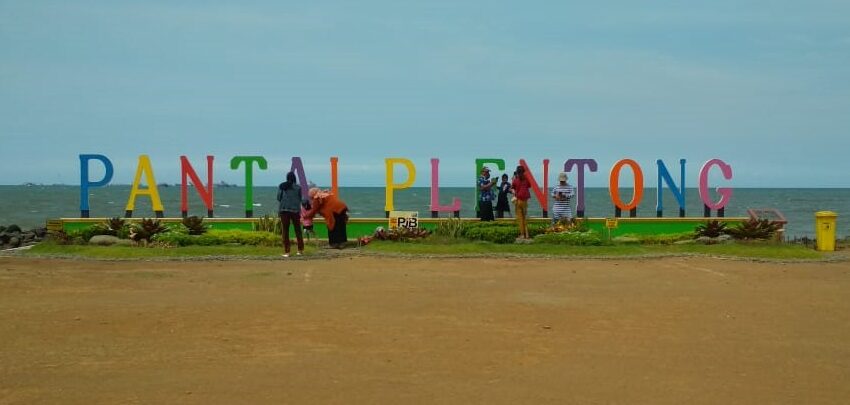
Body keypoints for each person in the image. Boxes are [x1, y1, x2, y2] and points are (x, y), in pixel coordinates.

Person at [276, 172, 304, 257]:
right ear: (294, 178)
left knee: (285, 231)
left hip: (284, 210)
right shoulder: (298, 188)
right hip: (295, 211)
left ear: (287, 177)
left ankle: (287, 252)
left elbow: (278, 198)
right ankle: (300, 250)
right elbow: (301, 199)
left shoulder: (282, 186)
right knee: (298, 230)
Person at [511, 165, 532, 239]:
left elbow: (512, 188)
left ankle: (522, 234)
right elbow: (529, 186)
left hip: (519, 200)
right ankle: (527, 234)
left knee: (520, 218)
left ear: (517, 172)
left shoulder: (516, 180)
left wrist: (514, 192)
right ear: (523, 172)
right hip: (525, 201)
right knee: (524, 217)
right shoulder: (526, 179)